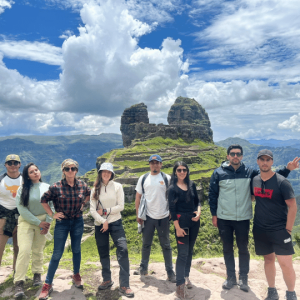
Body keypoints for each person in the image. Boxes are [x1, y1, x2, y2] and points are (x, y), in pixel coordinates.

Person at [208, 144, 299, 292]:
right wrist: (214, 215)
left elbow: (269, 175)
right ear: (228, 156)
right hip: (224, 218)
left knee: (243, 248)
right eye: (232, 154)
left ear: (242, 156)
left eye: (238, 154)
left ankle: (243, 278)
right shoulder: (218, 173)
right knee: (227, 248)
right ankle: (231, 277)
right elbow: (212, 195)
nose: (235, 156)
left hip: (243, 218)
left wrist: (287, 169)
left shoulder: (250, 172)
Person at [38, 159, 90, 300]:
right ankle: (47, 283)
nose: (70, 171)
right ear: (63, 170)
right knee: (57, 253)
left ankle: (76, 274)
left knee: (76, 249)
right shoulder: (56, 187)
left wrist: (84, 203)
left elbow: (88, 194)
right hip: (62, 223)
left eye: (73, 168)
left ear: (76, 170)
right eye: (67, 169)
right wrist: (51, 214)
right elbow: (43, 200)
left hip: (77, 221)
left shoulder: (82, 185)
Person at [252, 149, 298, 300]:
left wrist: (288, 230)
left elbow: (293, 206)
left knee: (285, 263)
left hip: (279, 229)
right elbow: (253, 197)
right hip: (260, 228)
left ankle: (291, 293)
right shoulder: (255, 180)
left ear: (272, 162)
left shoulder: (282, 182)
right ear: (258, 161)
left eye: (268, 160)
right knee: (268, 259)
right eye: (262, 159)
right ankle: (272, 291)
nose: (265, 162)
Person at [90, 162, 134, 298]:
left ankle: (125, 285)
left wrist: (105, 211)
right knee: (103, 252)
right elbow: (92, 209)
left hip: (116, 222)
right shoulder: (94, 189)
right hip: (100, 224)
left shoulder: (117, 186)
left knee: (123, 249)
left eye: (108, 172)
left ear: (112, 174)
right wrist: (103, 221)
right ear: (100, 172)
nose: (106, 174)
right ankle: (107, 279)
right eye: (104, 171)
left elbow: (121, 206)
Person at [14, 163, 55, 298]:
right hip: (27, 222)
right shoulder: (22, 189)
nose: (35, 173)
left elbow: (52, 206)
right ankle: (19, 281)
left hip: (44, 222)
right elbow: (22, 209)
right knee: (24, 250)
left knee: (38, 249)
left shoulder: (47, 187)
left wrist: (47, 223)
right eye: (31, 172)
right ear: (27, 176)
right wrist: (39, 223)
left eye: (36, 170)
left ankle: (37, 274)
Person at [134, 154, 176, 282]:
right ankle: (143, 268)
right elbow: (138, 197)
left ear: (161, 164)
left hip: (163, 217)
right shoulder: (143, 178)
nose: (155, 165)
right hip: (148, 217)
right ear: (149, 164)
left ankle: (170, 272)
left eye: (157, 163)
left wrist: (171, 211)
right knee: (146, 244)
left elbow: (173, 196)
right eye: (152, 163)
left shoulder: (166, 178)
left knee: (166, 245)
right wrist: (138, 214)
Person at [167, 162, 201, 299]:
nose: (182, 172)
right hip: (181, 224)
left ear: (187, 171)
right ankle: (179, 286)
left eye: (184, 170)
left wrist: (198, 213)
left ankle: (186, 277)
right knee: (182, 254)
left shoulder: (191, 184)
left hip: (194, 223)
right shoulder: (172, 189)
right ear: (175, 172)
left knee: (189, 251)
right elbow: (172, 210)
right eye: (179, 170)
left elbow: (198, 201)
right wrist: (177, 228)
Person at [0, 154, 22, 273]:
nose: (13, 165)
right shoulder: (1, 180)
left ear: (19, 164)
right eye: (10, 163)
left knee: (18, 247)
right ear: (5, 165)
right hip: (3, 217)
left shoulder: (26, 180)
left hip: (21, 217)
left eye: (15, 163)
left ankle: (17, 273)